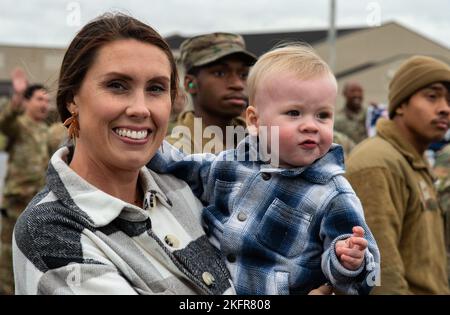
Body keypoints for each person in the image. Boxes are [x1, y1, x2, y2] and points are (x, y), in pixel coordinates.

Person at [12, 13, 235, 295]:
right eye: (117, 85)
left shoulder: (181, 187)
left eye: (156, 88)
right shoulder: (51, 231)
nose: (140, 109)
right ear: (72, 99)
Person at [149, 44, 380, 295]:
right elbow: (184, 165)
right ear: (255, 121)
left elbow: (369, 276)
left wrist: (347, 262)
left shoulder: (333, 194)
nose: (311, 126)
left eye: (322, 115)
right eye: (294, 113)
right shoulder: (232, 163)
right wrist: (145, 142)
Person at [346, 55, 450, 294]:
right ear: (401, 104)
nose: (445, 108)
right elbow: (380, 275)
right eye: (432, 96)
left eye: (449, 99)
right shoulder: (377, 163)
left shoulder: (413, 161)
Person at [0, 75, 51, 294]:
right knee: (8, 258)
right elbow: (5, 122)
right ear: (28, 102)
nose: (44, 105)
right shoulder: (19, 125)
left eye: (47, 101)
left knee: (32, 259)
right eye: (39, 99)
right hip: (16, 205)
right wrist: (17, 96)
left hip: (37, 205)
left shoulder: (45, 131)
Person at [166, 32, 257, 154]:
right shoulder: (174, 153)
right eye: (220, 73)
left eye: (243, 75)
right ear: (190, 84)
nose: (238, 84)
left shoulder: (260, 140)